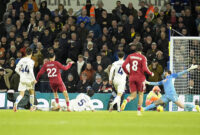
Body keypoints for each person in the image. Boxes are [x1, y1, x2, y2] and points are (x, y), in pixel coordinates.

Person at [121, 42, 154, 115]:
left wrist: (128, 73)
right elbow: (145, 69)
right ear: (142, 49)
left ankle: (126, 100)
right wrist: (151, 73)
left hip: (132, 77)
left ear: (135, 49)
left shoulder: (130, 56)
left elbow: (123, 66)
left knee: (133, 95)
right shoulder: (143, 57)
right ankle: (138, 111)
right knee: (141, 95)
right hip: (140, 78)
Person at [14, 48, 37, 112]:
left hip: (22, 79)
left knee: (21, 94)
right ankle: (32, 107)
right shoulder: (32, 61)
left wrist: (21, 74)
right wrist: (34, 79)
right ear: (31, 53)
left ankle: (16, 103)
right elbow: (31, 71)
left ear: (26, 53)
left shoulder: (21, 60)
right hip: (29, 79)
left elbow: (16, 69)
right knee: (31, 93)